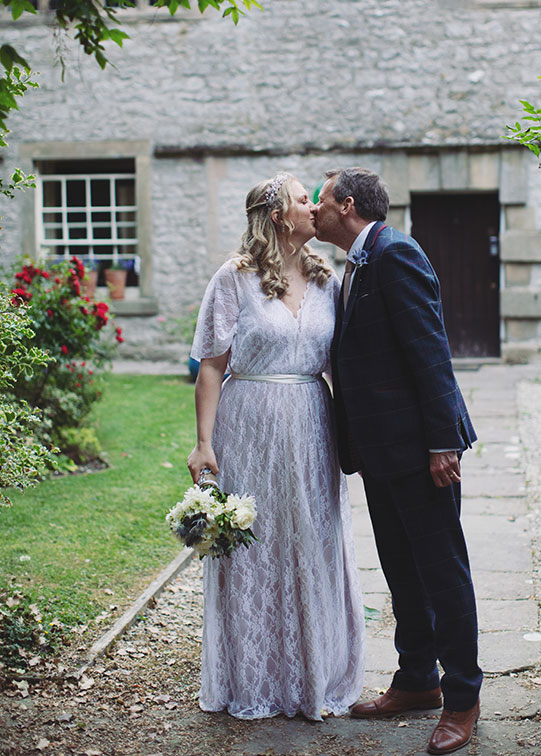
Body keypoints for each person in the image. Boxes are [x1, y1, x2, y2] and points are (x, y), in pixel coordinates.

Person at [314, 167, 482, 756]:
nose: (314, 210)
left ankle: (462, 698)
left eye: (321, 200)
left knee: (443, 573)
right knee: (402, 571)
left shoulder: (396, 253)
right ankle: (417, 681)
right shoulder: (358, 261)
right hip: (381, 450)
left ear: (347, 205)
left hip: (420, 450)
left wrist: (442, 443)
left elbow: (430, 350)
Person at [187, 172, 365, 721]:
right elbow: (211, 367)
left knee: (312, 540)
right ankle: (254, 676)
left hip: (312, 424)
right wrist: (203, 445)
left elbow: (343, 367)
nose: (314, 207)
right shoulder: (233, 278)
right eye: (302, 199)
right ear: (276, 215)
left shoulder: (327, 278)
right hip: (249, 425)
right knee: (255, 548)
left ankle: (313, 675)